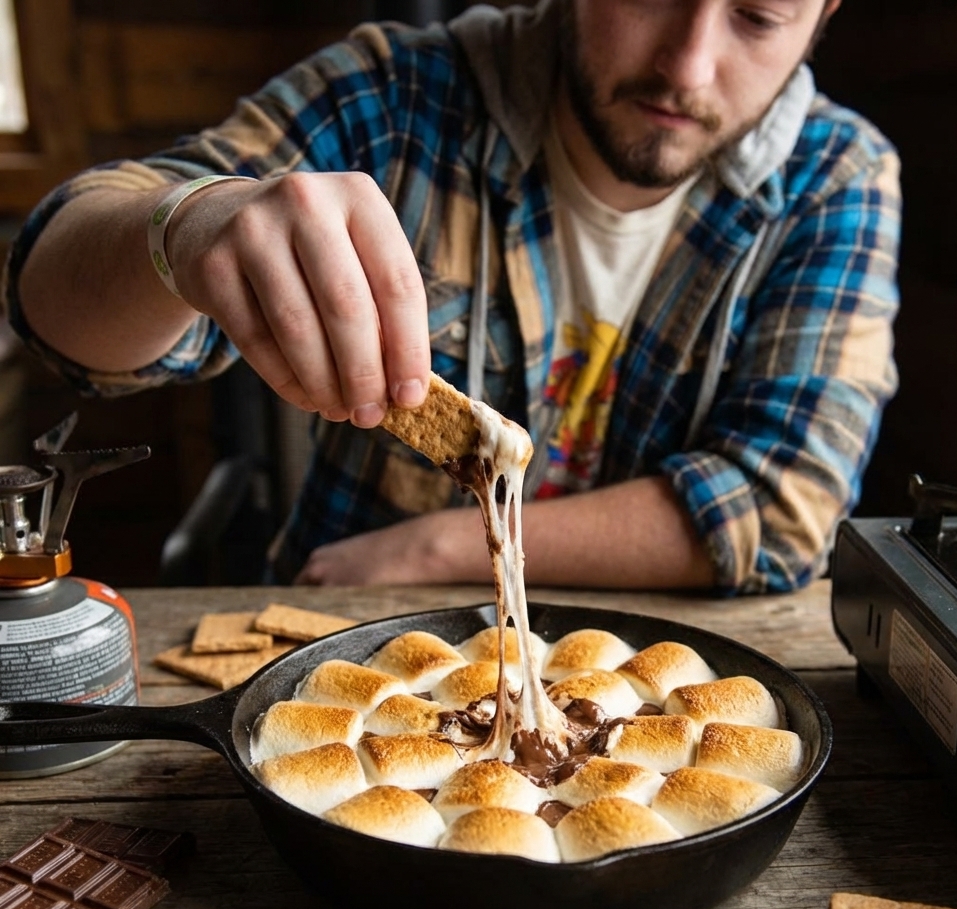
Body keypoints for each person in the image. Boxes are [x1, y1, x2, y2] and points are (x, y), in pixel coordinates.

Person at [4, 0, 899, 594]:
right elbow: (48, 312)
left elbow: (782, 510)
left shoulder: (836, 178)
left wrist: (434, 549)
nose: (689, 66)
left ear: (821, 17)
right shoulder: (396, 97)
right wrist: (182, 228)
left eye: (757, 16)